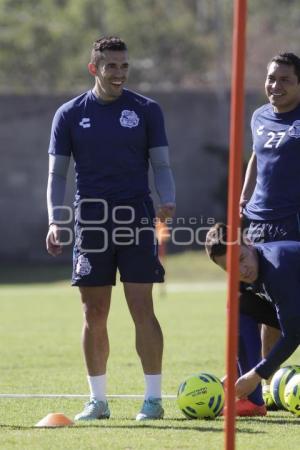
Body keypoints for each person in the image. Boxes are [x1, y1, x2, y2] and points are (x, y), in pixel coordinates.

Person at [46, 36, 176, 421]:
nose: (119, 73)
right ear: (94, 69)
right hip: (90, 222)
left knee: (142, 308)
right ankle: (97, 401)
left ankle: (153, 400)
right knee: (94, 313)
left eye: (124, 66)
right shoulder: (68, 114)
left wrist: (167, 198)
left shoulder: (147, 110)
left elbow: (162, 166)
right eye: (111, 66)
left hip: (135, 218)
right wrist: (55, 218)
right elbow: (56, 174)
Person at [239, 52, 300, 406]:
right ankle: (273, 388)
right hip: (258, 225)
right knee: (264, 309)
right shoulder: (259, 116)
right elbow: (257, 155)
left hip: (292, 224)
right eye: (272, 78)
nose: (275, 86)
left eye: (285, 80)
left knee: (289, 307)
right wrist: (245, 197)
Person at [205, 223, 300, 411]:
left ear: (249, 243)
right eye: (231, 268)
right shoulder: (246, 271)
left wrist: (255, 375)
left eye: (241, 258)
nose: (241, 270)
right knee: (237, 305)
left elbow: (294, 334)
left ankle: (251, 387)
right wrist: (237, 373)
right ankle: (252, 400)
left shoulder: (276, 268)